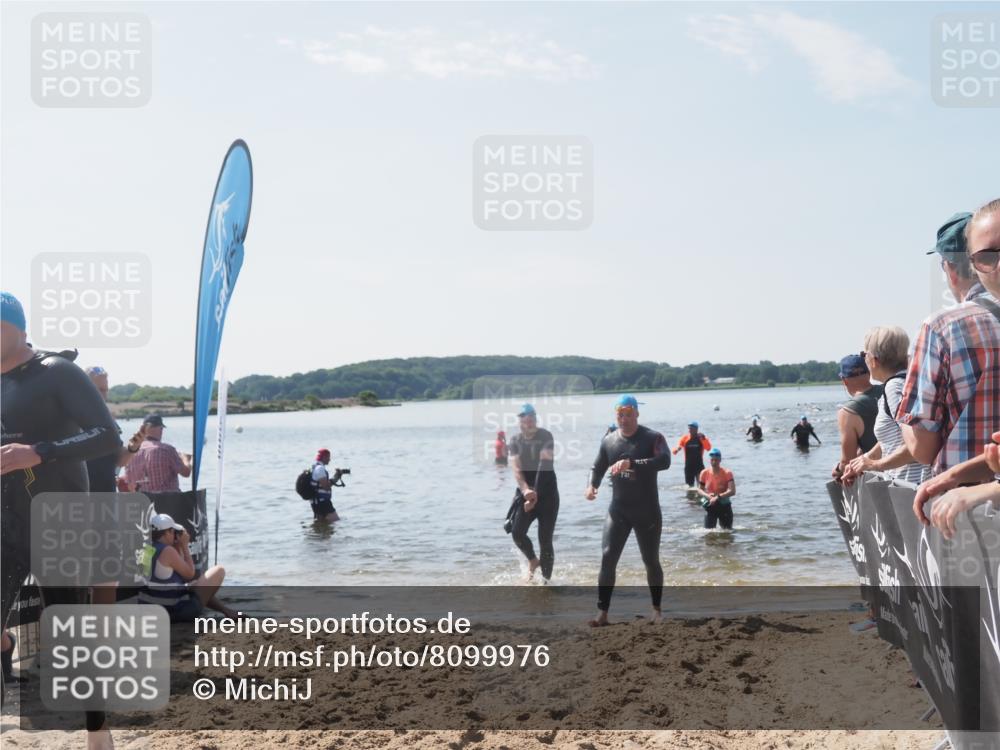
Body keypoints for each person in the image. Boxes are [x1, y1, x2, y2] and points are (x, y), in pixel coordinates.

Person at [0, 292, 120, 749]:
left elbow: (107, 435)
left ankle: (97, 732)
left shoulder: (56, 372)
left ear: (16, 327)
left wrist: (39, 451)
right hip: (5, 523)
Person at [899, 205, 1000, 479]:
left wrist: (903, 421)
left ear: (950, 269)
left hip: (964, 508)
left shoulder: (942, 328)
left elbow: (923, 449)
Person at [585, 395, 670, 626]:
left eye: (628, 415)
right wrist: (592, 485)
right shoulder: (609, 441)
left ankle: (656, 609)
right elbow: (597, 466)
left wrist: (633, 463)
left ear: (637, 414)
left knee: (650, 560)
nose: (624, 419)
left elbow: (664, 461)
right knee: (607, 556)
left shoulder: (652, 437)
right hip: (619, 510)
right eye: (620, 415)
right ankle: (602, 613)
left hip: (647, 510)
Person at [842, 328, 927, 486]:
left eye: (864, 354)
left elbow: (918, 443)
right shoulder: (907, 381)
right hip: (908, 486)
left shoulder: (895, 387)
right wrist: (864, 459)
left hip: (910, 487)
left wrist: (874, 465)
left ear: (874, 360)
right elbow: (894, 437)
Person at [138, 514, 237, 620]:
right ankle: (227, 611)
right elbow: (189, 574)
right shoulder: (167, 551)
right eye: (172, 531)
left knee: (194, 585)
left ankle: (227, 611)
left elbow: (173, 576)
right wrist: (184, 545)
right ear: (167, 532)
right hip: (176, 612)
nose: (174, 535)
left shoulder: (146, 549)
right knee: (219, 570)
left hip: (152, 609)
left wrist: (177, 547)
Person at [507, 404, 559, 581]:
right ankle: (532, 560)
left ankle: (546, 583)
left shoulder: (546, 436)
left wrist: (534, 495)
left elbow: (543, 466)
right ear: (520, 421)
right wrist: (525, 490)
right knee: (517, 532)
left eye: (531, 418)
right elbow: (516, 468)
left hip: (547, 494)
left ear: (535, 419)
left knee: (545, 540)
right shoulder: (514, 441)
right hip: (526, 493)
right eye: (524, 418)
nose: (527, 422)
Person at [84, 366, 142, 493]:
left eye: (105, 390)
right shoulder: (71, 418)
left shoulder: (109, 420)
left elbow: (120, 461)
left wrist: (133, 447)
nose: (103, 395)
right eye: (99, 390)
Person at [832, 354, 883, 483]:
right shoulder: (889, 389)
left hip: (880, 479)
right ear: (868, 373)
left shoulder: (847, 412)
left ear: (844, 380)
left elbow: (847, 461)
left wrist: (838, 469)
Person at [123, 414, 192, 493]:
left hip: (142, 502)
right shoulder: (167, 450)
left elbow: (128, 480)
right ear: (160, 429)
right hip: (168, 502)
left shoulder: (131, 453)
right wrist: (185, 459)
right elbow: (186, 473)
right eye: (161, 428)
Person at [697, 448, 736, 529]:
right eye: (712, 460)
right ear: (710, 460)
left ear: (720, 460)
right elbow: (700, 490)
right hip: (711, 506)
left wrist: (717, 497)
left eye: (716, 460)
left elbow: (732, 491)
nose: (714, 462)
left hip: (724, 506)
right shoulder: (704, 473)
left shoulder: (727, 473)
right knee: (708, 533)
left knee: (727, 533)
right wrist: (708, 496)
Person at [672, 421, 711, 489]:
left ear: (696, 429)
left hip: (699, 466)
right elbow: (675, 450)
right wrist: (677, 449)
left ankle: (701, 499)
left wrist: (704, 439)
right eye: (689, 428)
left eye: (691, 428)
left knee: (702, 487)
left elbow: (708, 448)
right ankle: (690, 499)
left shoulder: (701, 438)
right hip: (689, 466)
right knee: (689, 487)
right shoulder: (685, 438)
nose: (690, 430)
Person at [309, 448, 341, 522]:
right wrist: (336, 476)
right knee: (336, 521)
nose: (329, 459)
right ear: (324, 457)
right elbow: (326, 487)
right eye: (328, 457)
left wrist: (336, 477)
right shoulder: (320, 469)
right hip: (322, 502)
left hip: (316, 502)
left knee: (322, 525)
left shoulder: (314, 467)